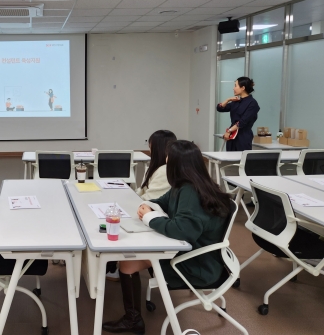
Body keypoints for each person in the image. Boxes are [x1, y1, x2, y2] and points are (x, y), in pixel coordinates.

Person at [102, 140, 231, 334]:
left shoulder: (190, 191)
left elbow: (182, 230)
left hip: (196, 264)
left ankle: (132, 320)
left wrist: (149, 218)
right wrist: (149, 206)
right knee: (127, 263)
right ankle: (133, 319)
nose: (166, 163)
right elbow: (163, 201)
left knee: (129, 261)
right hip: (197, 253)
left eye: (168, 160)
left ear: (177, 165)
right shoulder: (188, 184)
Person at [216, 76, 260, 151]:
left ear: (243, 88)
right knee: (229, 157)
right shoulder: (236, 101)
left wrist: (229, 131)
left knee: (241, 157)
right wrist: (228, 99)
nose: (233, 88)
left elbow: (243, 122)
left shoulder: (252, 103)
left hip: (243, 137)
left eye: (235, 86)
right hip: (231, 136)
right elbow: (219, 108)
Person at [136, 130, 177, 201]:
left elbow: (151, 198)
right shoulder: (155, 168)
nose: (149, 151)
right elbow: (143, 190)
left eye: (150, 147)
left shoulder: (165, 171)